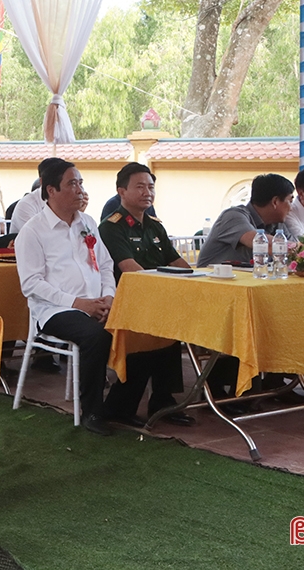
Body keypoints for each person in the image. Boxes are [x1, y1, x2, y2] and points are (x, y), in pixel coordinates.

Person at [15, 160, 116, 436]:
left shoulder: (88, 223)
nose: (80, 190)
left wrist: (108, 297)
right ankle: (92, 411)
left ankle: (124, 404)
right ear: (51, 190)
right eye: (72, 183)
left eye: (81, 183)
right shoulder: (33, 231)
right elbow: (32, 284)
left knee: (143, 325)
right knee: (96, 336)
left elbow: (106, 265)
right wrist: (78, 303)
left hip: (96, 303)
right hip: (55, 310)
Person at [97, 162, 194, 428]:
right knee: (151, 331)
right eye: (139, 186)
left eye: (151, 187)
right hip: (126, 302)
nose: (147, 192)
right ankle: (120, 406)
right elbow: (130, 270)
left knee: (172, 324)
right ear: (121, 191)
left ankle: (163, 401)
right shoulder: (111, 227)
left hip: (157, 298)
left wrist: (198, 278)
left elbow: (176, 261)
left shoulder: (154, 226)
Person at [198, 174, 295, 267]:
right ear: (275, 202)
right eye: (290, 201)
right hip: (213, 281)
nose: (291, 208)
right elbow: (265, 244)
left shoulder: (276, 223)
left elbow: (295, 250)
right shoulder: (233, 216)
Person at [11, 158, 69, 234]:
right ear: (42, 181)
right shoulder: (26, 205)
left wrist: (77, 214)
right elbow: (40, 236)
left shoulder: (67, 201)